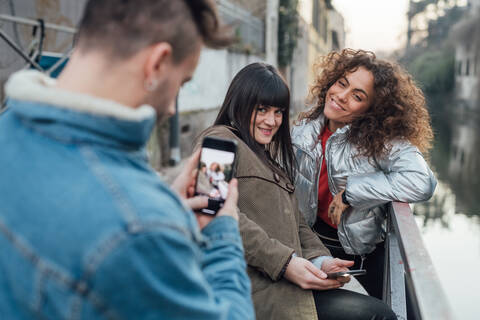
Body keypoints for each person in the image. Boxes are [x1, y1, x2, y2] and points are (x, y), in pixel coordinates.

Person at [0, 1, 254, 319]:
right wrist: (222, 234)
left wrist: (165, 207)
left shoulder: (7, 128)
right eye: (182, 83)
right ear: (157, 64)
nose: (173, 108)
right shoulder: (139, 227)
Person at [196, 62, 397, 320]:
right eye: (262, 110)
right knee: (377, 316)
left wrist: (321, 261)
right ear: (240, 103)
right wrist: (286, 263)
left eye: (278, 112)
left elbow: (298, 224)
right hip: (251, 291)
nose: (272, 121)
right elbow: (210, 210)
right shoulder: (219, 141)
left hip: (286, 286)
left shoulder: (268, 157)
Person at [292, 49, 437, 299]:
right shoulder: (303, 131)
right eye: (341, 84)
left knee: (409, 310)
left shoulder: (381, 141)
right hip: (311, 243)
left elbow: (422, 181)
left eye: (357, 96)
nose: (341, 96)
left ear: (372, 109)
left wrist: (352, 194)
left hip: (363, 251)